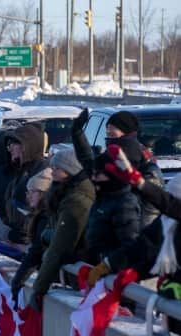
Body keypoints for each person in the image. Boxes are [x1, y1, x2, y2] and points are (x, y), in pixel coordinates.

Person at [87, 147, 181, 332]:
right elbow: (144, 247)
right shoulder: (167, 224)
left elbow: (168, 204)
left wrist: (141, 184)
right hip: (172, 308)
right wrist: (113, 265)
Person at [21, 150, 95, 311]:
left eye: (56, 168)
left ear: (70, 170)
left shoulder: (77, 201)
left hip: (78, 276)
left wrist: (39, 288)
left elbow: (59, 247)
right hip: (69, 274)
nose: (51, 171)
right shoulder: (60, 195)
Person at [73, 109, 164, 227]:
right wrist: (77, 133)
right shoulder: (113, 155)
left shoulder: (134, 159)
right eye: (107, 134)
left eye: (112, 132)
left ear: (126, 131)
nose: (108, 134)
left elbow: (147, 214)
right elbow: (90, 165)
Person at [0, 123, 47, 246]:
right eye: (8, 145)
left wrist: (8, 233)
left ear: (26, 146)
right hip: (15, 245)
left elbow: (30, 226)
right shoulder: (19, 173)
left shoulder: (40, 176)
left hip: (26, 250)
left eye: (14, 144)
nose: (9, 148)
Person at [10, 168, 52, 308]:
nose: (28, 196)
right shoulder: (42, 214)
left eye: (32, 192)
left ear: (42, 193)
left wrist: (18, 280)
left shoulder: (45, 217)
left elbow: (36, 251)